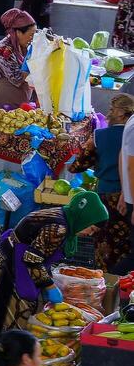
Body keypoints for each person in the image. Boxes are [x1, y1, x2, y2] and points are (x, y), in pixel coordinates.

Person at [0, 197, 111, 365]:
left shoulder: (63, 215)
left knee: (0, 320)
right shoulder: (58, 227)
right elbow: (32, 259)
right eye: (92, 228)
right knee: (3, 320)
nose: (90, 233)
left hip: (8, 260)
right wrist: (50, 286)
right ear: (85, 219)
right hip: (6, 269)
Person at [72, 94, 134, 274]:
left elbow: (78, 165)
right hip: (128, 196)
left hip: (106, 196)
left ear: (121, 113)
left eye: (112, 109)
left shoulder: (100, 135)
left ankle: (106, 282)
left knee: (104, 243)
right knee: (128, 243)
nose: (109, 113)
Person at [0, 9, 41, 109]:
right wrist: (30, 60)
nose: (33, 39)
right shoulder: (4, 50)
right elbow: (17, 79)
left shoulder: (24, 46)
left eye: (35, 35)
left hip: (21, 99)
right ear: (18, 33)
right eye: (31, 35)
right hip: (4, 100)